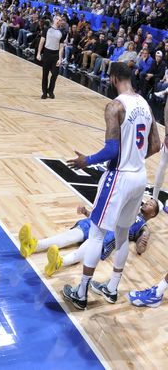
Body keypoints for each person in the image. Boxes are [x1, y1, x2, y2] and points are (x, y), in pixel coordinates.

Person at [62, 62, 161, 309]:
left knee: (96, 233)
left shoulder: (115, 106)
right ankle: (112, 288)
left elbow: (112, 149)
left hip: (119, 177)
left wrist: (87, 160)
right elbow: (156, 146)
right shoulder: (146, 105)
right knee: (122, 233)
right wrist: (135, 158)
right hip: (139, 177)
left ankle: (81, 293)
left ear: (115, 78)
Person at [18, 197, 160, 277]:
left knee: (89, 247)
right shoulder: (130, 208)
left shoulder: (143, 227)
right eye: (149, 201)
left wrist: (144, 238)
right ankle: (34, 245)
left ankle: (60, 262)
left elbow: (140, 249)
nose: (148, 202)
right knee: (71, 235)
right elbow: (107, 214)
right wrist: (87, 212)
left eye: (151, 204)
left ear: (153, 214)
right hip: (98, 224)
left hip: (110, 236)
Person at [36, 15, 65, 99]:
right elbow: (41, 42)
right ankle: (44, 92)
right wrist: (38, 53)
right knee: (45, 74)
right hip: (47, 53)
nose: (58, 21)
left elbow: (61, 47)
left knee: (55, 74)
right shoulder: (47, 29)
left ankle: (51, 91)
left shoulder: (61, 32)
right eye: (57, 19)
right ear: (54, 19)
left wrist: (60, 59)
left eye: (60, 20)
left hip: (55, 54)